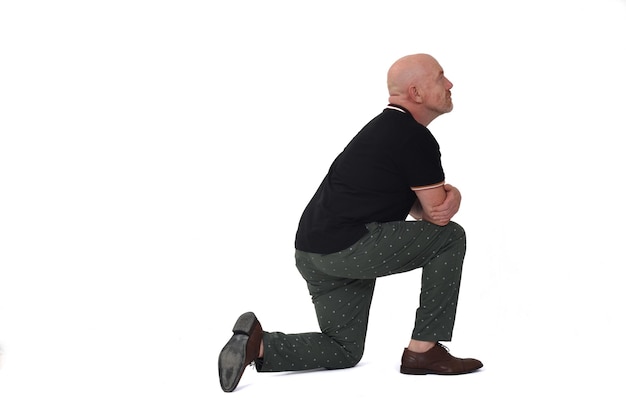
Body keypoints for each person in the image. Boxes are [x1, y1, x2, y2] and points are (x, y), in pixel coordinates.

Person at [218, 53, 482, 393]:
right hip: (350, 247)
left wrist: (438, 199)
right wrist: (455, 192)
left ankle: (258, 344)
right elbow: (437, 215)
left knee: (344, 349)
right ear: (416, 93)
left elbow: (419, 208)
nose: (450, 84)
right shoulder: (413, 137)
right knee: (450, 237)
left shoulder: (385, 130)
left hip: (312, 252)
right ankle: (424, 350)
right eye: (441, 77)